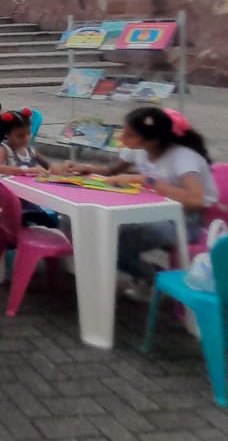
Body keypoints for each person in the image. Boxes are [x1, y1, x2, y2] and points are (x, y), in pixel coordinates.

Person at [81, 107, 218, 300]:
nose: (122, 138)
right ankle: (147, 275)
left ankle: (151, 277)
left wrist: (148, 181)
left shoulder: (183, 158)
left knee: (112, 241)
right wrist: (84, 168)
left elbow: (196, 201)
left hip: (185, 221)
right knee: (100, 231)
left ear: (152, 140)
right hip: (150, 211)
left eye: (129, 134)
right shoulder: (140, 150)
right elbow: (111, 171)